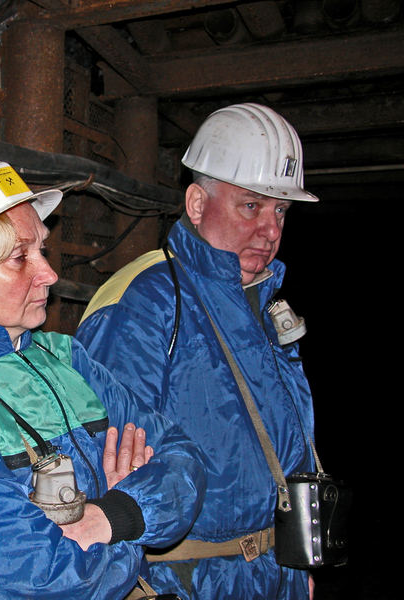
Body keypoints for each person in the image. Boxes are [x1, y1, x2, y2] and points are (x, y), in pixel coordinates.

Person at [0, 154, 206, 600]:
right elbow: (39, 581)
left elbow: (184, 459)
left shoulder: (69, 359)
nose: (49, 273)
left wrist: (117, 514)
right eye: (19, 258)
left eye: (42, 250)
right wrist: (132, 529)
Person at [76, 103, 319, 600]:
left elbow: (287, 449)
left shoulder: (266, 304)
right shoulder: (145, 302)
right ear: (195, 203)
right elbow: (103, 466)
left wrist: (297, 564)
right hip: (189, 582)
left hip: (274, 574)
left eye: (280, 210)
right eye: (251, 206)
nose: (270, 230)